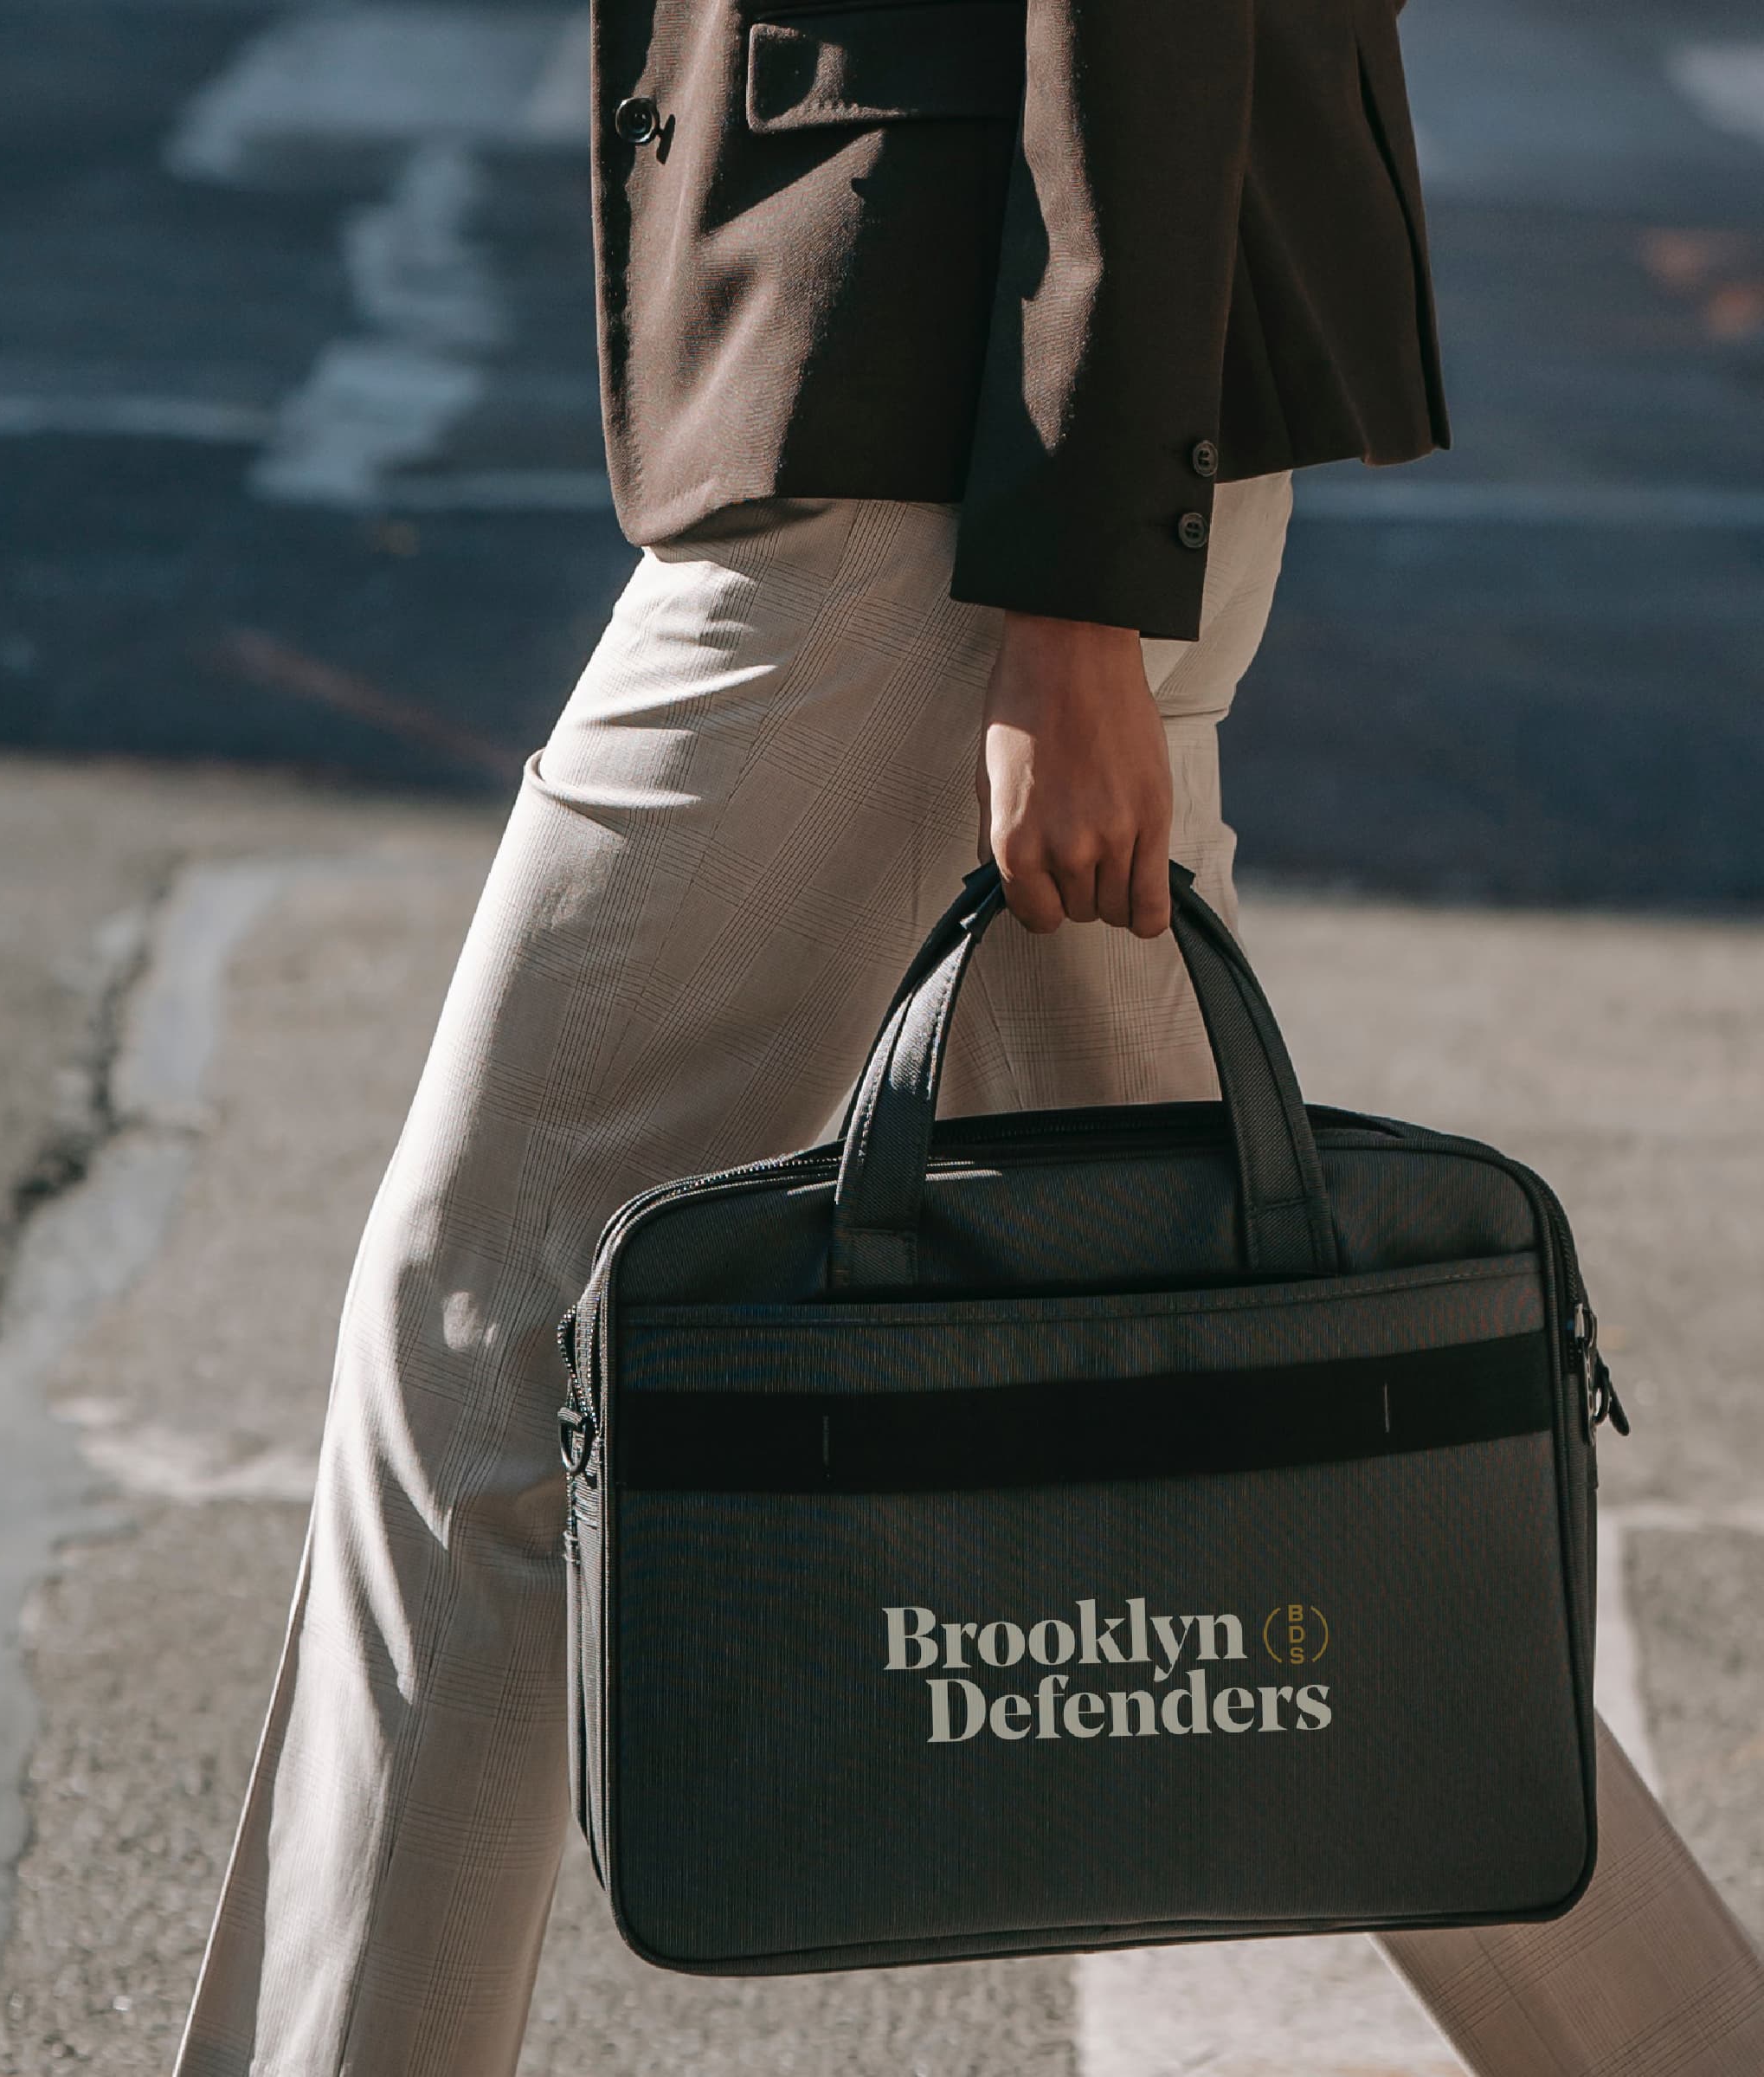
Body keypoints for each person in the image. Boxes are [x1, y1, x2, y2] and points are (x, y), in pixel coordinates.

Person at [173, 2, 1764, 2071]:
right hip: (1000, 451)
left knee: (484, 1332)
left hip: (940, 460)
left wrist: (1073, 597)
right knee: (1230, 1411)